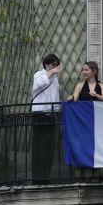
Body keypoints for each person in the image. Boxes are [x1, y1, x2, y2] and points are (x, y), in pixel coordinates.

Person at [30, 53, 62, 183]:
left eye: (57, 65)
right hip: (40, 114)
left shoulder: (55, 80)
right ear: (47, 64)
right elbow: (38, 85)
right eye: (54, 64)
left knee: (49, 147)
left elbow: (55, 97)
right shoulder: (39, 74)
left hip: (51, 115)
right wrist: (51, 73)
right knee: (39, 147)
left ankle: (46, 176)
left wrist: (58, 110)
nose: (56, 67)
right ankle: (37, 177)